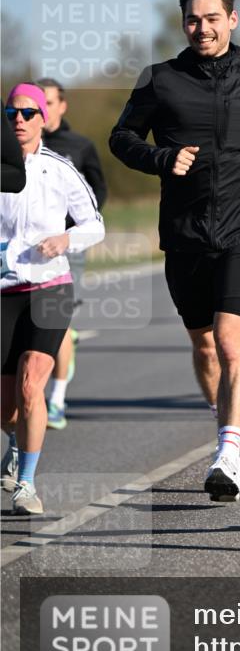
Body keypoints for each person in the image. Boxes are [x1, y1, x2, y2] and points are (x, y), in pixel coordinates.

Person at [109, 0, 240, 503]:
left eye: (212, 18)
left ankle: (231, 452)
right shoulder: (159, 79)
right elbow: (121, 138)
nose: (202, 28)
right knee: (204, 344)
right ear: (182, 22)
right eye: (193, 19)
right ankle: (227, 430)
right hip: (184, 231)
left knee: (230, 340)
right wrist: (162, 159)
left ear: (232, 20)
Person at [1, 84, 104, 514]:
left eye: (27, 113)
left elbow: (94, 225)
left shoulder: (60, 168)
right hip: (5, 291)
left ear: (44, 117)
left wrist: (66, 238)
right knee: (7, 408)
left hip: (51, 287)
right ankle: (15, 442)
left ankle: (26, 482)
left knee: (31, 386)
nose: (19, 121)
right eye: (11, 114)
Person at [36, 77, 108, 430]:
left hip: (66, 246)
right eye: (37, 102)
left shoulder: (78, 146)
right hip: (23, 251)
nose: (42, 109)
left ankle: (57, 401)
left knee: (57, 320)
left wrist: (74, 234)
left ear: (62, 106)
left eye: (49, 102)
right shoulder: (14, 146)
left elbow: (98, 193)